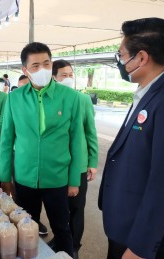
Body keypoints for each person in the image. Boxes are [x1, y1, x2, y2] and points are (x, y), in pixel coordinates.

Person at [98, 18, 164, 259]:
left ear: (142, 58)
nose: (120, 61)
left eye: (122, 54)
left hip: (142, 236)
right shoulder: (151, 90)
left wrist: (140, 247)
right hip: (127, 221)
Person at [0, 42, 86, 257]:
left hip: (57, 177)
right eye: (35, 66)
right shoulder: (13, 99)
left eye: (46, 64)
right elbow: (7, 139)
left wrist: (75, 179)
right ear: (25, 70)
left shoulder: (71, 98)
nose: (42, 70)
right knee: (26, 227)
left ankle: (68, 255)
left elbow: (77, 140)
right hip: (25, 176)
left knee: (62, 227)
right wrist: (4, 177)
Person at [49, 59, 98, 258]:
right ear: (54, 77)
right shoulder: (49, 100)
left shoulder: (82, 99)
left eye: (71, 75)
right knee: (59, 207)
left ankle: (74, 245)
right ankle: (60, 238)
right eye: (64, 75)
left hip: (78, 164)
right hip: (57, 165)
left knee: (76, 208)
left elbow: (90, 132)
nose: (68, 78)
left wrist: (93, 162)